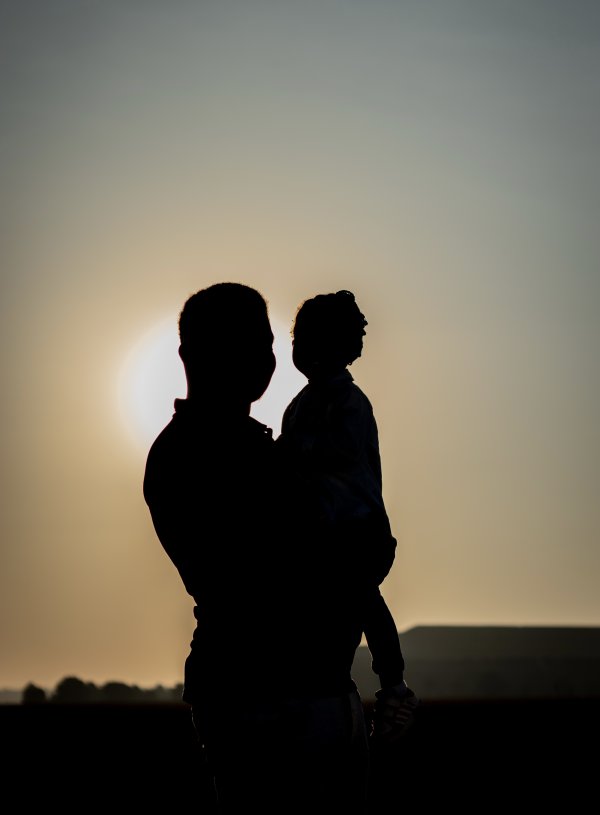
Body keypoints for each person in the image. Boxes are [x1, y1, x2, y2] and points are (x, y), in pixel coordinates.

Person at [143, 283, 371, 813]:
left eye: (267, 344)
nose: (266, 360)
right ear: (190, 356)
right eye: (246, 343)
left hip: (307, 689)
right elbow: (287, 567)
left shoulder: (261, 446)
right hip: (268, 701)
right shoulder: (197, 455)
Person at [277, 290, 419, 747]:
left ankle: (394, 685)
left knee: (363, 598)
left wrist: (288, 456)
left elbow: (337, 451)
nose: (303, 352)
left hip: (356, 530)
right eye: (299, 340)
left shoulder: (350, 402)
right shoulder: (300, 404)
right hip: (321, 535)